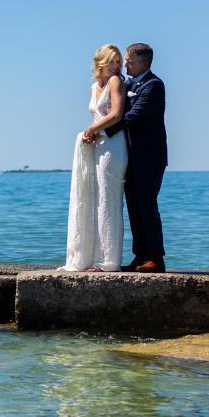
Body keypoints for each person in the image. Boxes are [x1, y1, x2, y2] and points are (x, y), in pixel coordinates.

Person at [59, 44, 128, 271]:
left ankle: (109, 261)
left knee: (108, 201)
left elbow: (116, 115)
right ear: (100, 62)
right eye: (112, 62)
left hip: (113, 146)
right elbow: (99, 114)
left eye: (118, 62)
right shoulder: (92, 87)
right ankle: (94, 256)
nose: (117, 67)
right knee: (95, 200)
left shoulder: (116, 82)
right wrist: (91, 134)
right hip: (97, 146)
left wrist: (91, 130)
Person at [104, 43, 167, 273]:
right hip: (129, 158)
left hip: (149, 158)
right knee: (134, 208)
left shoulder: (154, 85)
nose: (125, 65)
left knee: (147, 207)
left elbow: (132, 116)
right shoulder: (129, 83)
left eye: (129, 61)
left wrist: (102, 132)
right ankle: (140, 257)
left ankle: (156, 259)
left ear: (145, 64)